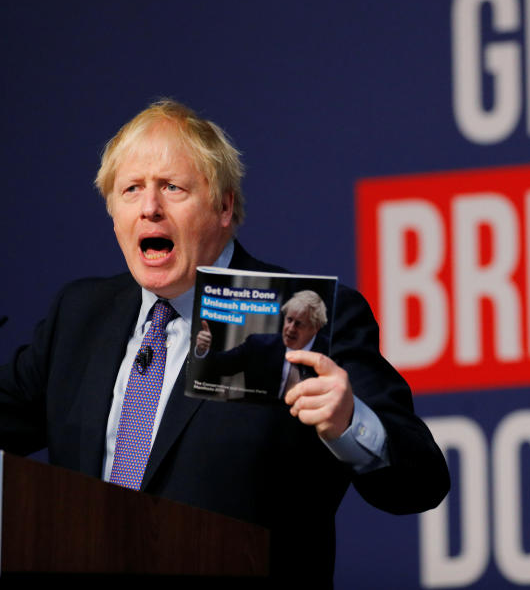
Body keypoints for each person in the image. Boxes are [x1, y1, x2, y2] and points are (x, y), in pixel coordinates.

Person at [0, 100, 449, 582]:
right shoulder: (80, 316)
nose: (150, 207)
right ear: (113, 216)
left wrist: (349, 421)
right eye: (131, 190)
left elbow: (421, 482)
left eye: (172, 188)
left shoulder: (304, 315)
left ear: (223, 206)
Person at [194, 290, 331, 399]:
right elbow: (221, 365)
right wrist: (202, 350)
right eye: (289, 320)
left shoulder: (329, 353)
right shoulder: (259, 345)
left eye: (299, 324)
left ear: (315, 328)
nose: (290, 328)